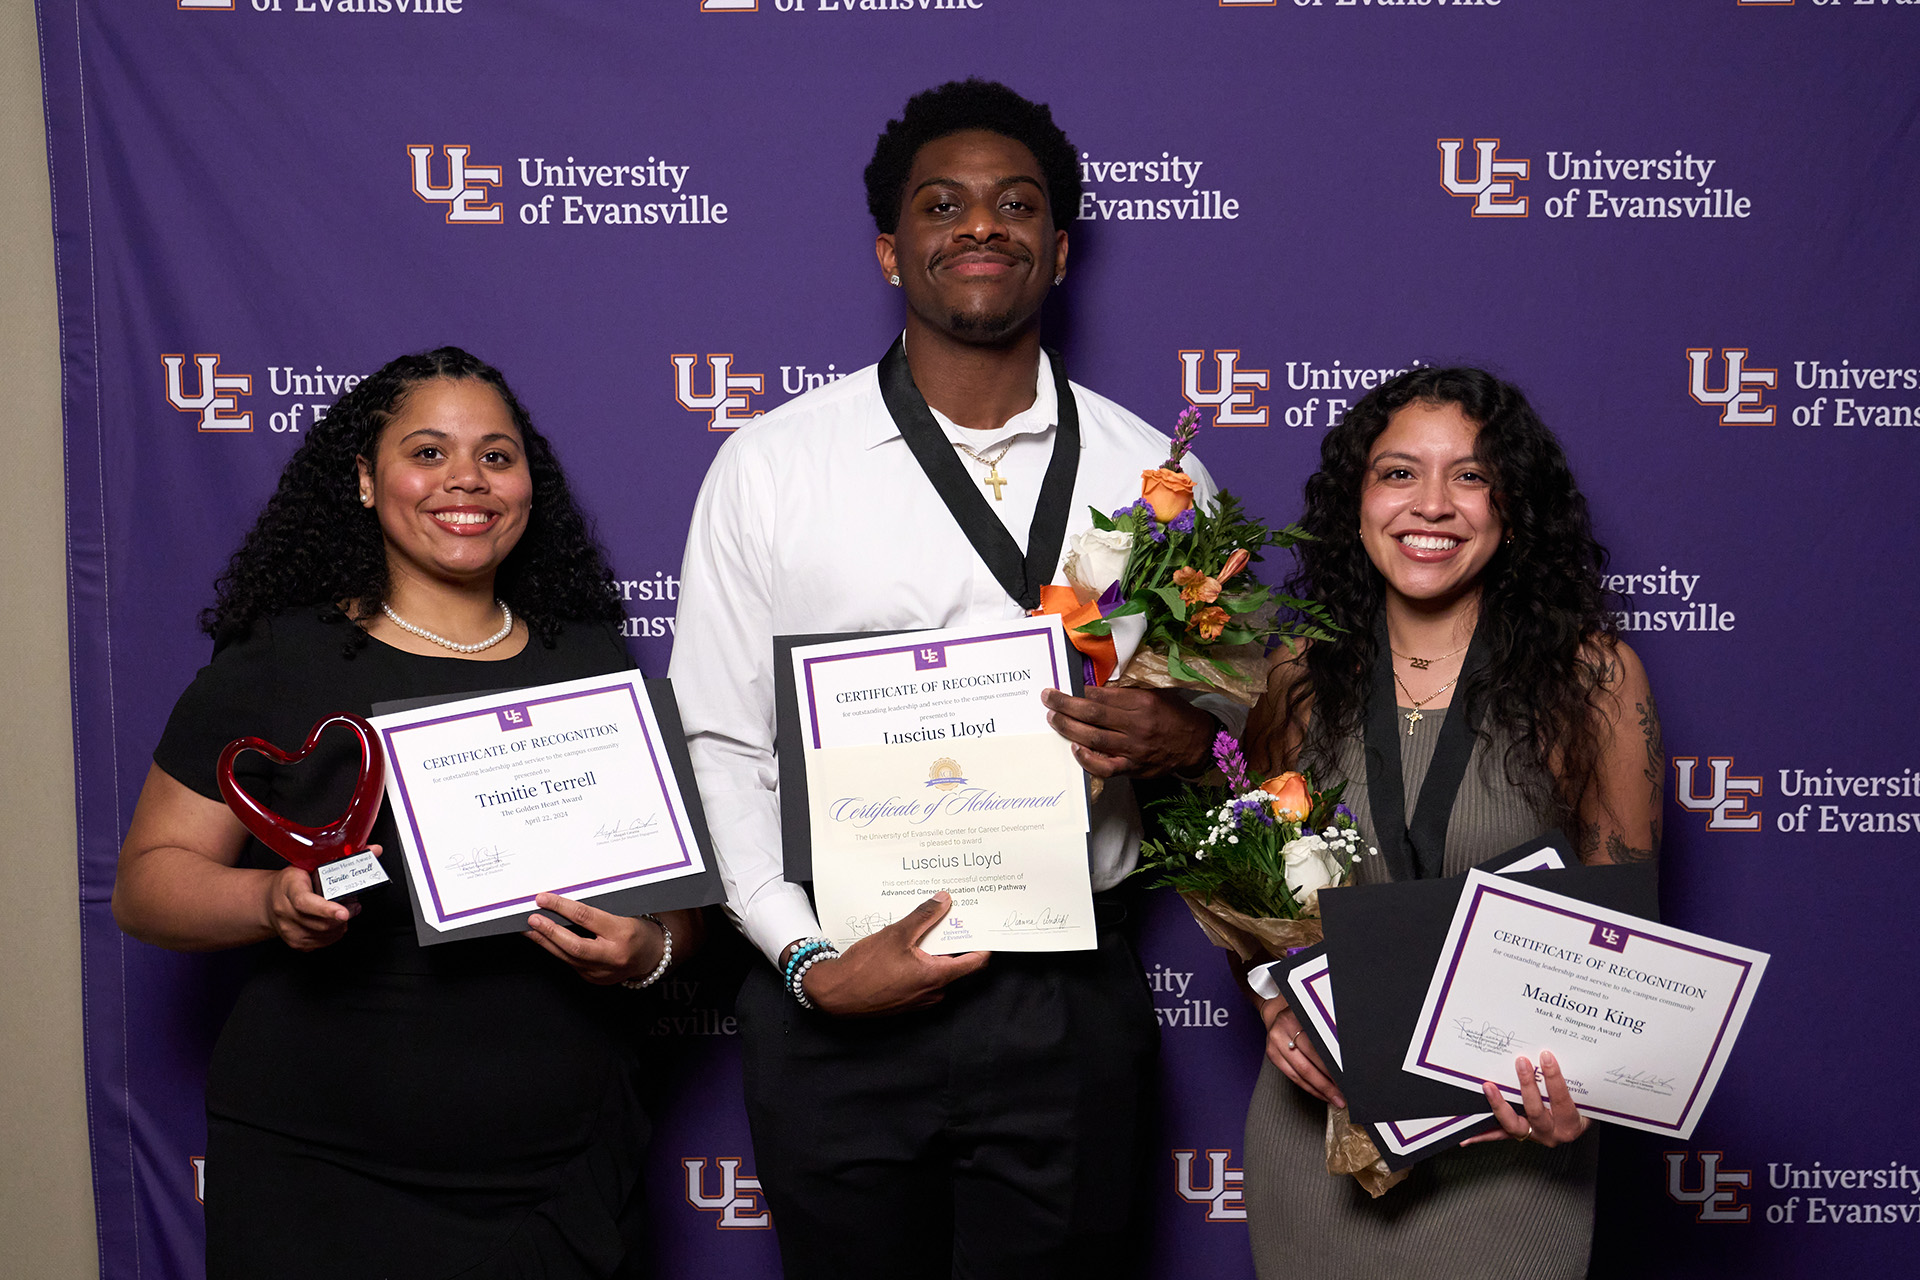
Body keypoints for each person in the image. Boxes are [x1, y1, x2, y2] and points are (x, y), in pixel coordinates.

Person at [670, 79, 1241, 1279]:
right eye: (943, 204)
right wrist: (802, 959)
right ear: (892, 248)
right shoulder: (773, 466)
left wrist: (1186, 738)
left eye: (1016, 204)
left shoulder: (1162, 477)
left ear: (1061, 248)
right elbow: (719, 745)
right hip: (844, 979)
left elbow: (1245, 749)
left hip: (1069, 994)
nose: (981, 225)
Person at [113, 347, 703, 1280]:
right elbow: (147, 885)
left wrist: (650, 953)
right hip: (323, 1178)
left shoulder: (592, 663)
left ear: (527, 486)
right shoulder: (281, 663)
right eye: (427, 453)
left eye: (496, 457)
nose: (465, 480)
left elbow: (673, 907)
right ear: (363, 479)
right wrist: (269, 903)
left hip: (564, 1176)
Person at [1237, 366, 1662, 1277]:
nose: (1431, 505)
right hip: (1320, 1121)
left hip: (1507, 1140)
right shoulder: (1295, 671)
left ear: (1513, 506)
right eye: (1398, 473)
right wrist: (1274, 1000)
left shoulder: (1591, 677)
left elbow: (1622, 929)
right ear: (1356, 500)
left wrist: (1583, 1081)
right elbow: (1251, 880)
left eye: (1470, 475)